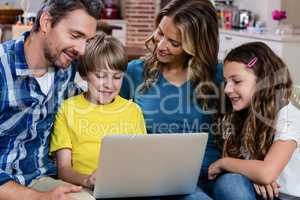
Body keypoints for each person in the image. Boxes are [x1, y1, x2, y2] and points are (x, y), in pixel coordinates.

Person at [0, 0, 103, 199]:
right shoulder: (3, 67)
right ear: (46, 22)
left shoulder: (67, 70)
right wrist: (36, 197)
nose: (81, 50)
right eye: (75, 35)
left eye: (87, 41)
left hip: (42, 179)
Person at [121, 0, 222, 199]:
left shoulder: (220, 75)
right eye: (160, 33)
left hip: (212, 172)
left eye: (174, 43)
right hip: (159, 175)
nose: (160, 45)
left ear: (197, 46)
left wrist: (265, 166)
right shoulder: (135, 72)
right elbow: (110, 121)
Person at [50, 32, 146, 190]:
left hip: (125, 189)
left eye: (116, 77)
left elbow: (141, 160)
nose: (109, 85)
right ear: (84, 74)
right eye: (101, 76)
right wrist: (87, 180)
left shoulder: (133, 111)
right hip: (83, 188)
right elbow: (64, 170)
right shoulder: (68, 109)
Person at [208, 42, 300, 200]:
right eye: (226, 81)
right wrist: (252, 173)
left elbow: (266, 173)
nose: (227, 89)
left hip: (288, 197)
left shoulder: (287, 116)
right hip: (258, 192)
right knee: (229, 183)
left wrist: (223, 163)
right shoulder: (240, 113)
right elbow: (254, 169)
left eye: (236, 81)